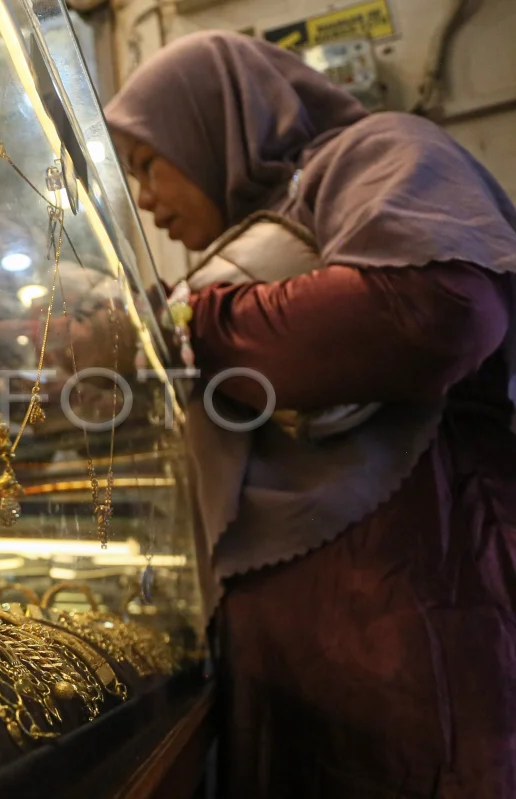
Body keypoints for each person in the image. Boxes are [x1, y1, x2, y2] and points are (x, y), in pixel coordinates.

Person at [96, 32, 516, 797]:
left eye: (149, 163)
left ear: (213, 118)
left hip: (419, 630)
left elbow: (440, 308)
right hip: (307, 669)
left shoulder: (377, 153)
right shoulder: (246, 251)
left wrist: (185, 327)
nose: (146, 200)